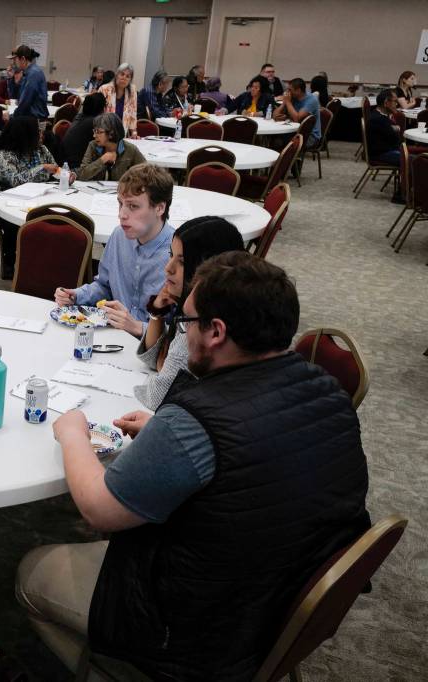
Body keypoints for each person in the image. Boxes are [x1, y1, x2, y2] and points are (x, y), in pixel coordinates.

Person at [19, 251, 370, 681]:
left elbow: (96, 507)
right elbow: (254, 457)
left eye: (185, 324)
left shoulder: (197, 421)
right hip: (280, 597)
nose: (180, 333)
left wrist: (72, 431)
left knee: (31, 573)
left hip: (203, 634)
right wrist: (168, 437)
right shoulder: (331, 396)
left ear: (216, 332)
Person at [134, 216, 244, 410]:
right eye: (170, 255)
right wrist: (157, 312)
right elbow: (154, 359)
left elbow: (156, 397)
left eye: (182, 262)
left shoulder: (203, 325)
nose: (168, 268)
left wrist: (161, 372)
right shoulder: (204, 306)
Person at [54, 163, 174, 335]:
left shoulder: (177, 254)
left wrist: (138, 327)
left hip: (153, 353)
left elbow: (186, 336)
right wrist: (77, 295)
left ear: (159, 208)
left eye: (133, 206)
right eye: (121, 204)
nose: (122, 214)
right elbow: (105, 286)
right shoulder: (119, 236)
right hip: (114, 335)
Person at [0, 116, 68, 280]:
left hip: (33, 199)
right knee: (16, 224)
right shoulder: (4, 156)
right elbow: (15, 181)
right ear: (25, 135)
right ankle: (10, 265)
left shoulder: (41, 150)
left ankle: (46, 263)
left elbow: (55, 170)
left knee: (51, 220)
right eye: (37, 131)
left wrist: (65, 175)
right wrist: (42, 168)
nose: (41, 134)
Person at [76, 113, 146, 182]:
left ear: (111, 134)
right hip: (95, 192)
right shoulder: (93, 146)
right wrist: (103, 159)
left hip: (121, 191)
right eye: (94, 131)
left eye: (98, 132)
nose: (94, 135)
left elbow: (147, 173)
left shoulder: (130, 149)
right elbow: (82, 174)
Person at [274, 78, 322, 148]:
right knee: (272, 138)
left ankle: (285, 158)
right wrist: (284, 103)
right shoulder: (292, 98)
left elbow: (297, 119)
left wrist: (288, 102)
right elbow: (275, 116)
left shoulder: (311, 100)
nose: (288, 92)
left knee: (278, 141)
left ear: (298, 90)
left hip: (309, 136)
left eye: (290, 90)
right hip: (294, 132)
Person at [63, 92, 107, 168]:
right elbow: (105, 145)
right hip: (76, 166)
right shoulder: (95, 122)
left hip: (65, 161)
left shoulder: (79, 117)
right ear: (102, 108)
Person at [8, 45, 48, 120]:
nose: (13, 63)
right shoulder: (26, 73)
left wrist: (12, 117)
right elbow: (14, 97)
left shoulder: (33, 74)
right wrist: (11, 79)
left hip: (35, 120)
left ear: (22, 59)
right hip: (28, 117)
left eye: (15, 60)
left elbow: (25, 102)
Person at [98, 62, 137, 138]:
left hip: (122, 133)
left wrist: (134, 132)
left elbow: (133, 114)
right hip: (104, 133)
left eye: (128, 76)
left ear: (130, 80)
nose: (124, 78)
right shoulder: (104, 89)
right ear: (116, 75)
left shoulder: (132, 91)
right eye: (122, 74)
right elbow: (98, 115)